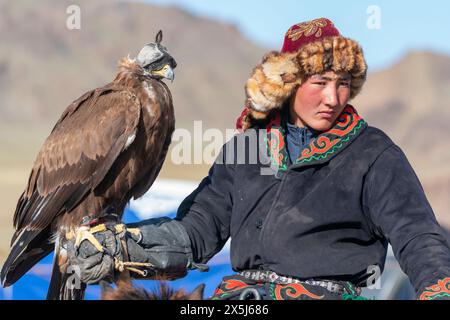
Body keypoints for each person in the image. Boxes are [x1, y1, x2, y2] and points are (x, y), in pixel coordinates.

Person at [69, 18, 450, 300]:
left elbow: (418, 237)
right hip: (239, 301)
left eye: (343, 84)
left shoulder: (374, 155)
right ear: (288, 85)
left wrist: (438, 292)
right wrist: (124, 247)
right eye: (320, 83)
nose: (334, 98)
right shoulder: (245, 150)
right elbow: (197, 232)